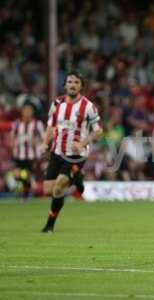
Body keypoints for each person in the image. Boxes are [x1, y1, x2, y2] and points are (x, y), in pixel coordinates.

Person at [40, 71, 103, 233]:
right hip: (57, 151)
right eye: (70, 82)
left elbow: (98, 131)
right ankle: (77, 179)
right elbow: (51, 125)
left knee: (59, 187)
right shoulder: (57, 103)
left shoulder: (88, 106)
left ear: (81, 86)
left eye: (76, 82)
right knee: (48, 190)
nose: (73, 85)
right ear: (65, 85)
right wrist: (44, 143)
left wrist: (82, 143)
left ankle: (49, 225)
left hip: (76, 155)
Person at [10, 102, 45, 198]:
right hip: (18, 155)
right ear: (22, 112)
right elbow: (12, 137)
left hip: (32, 155)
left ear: (32, 112)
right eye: (25, 110)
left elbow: (44, 138)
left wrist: (37, 141)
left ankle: (26, 192)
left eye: (29, 111)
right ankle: (28, 186)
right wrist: (12, 144)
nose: (27, 112)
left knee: (26, 174)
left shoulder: (38, 124)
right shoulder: (16, 124)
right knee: (17, 175)